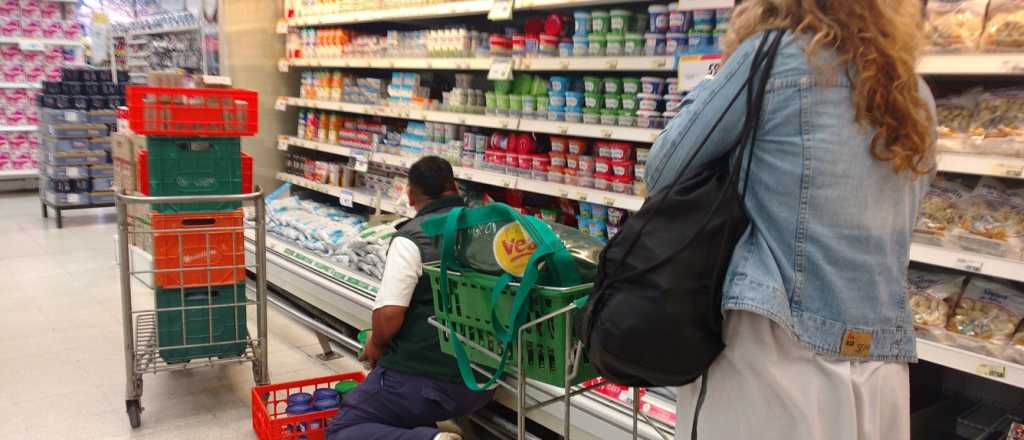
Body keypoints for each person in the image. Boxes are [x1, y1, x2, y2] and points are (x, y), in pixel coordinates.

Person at [644, 2, 936, 439]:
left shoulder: (772, 57)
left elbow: (664, 169)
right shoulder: (912, 90)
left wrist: (721, 74)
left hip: (775, 351)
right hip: (880, 361)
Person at [327, 156, 494, 440]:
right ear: (453, 186)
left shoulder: (411, 238)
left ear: (409, 194)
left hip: (428, 379)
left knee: (344, 430)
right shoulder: (490, 230)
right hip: (486, 376)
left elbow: (389, 316)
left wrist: (375, 343)